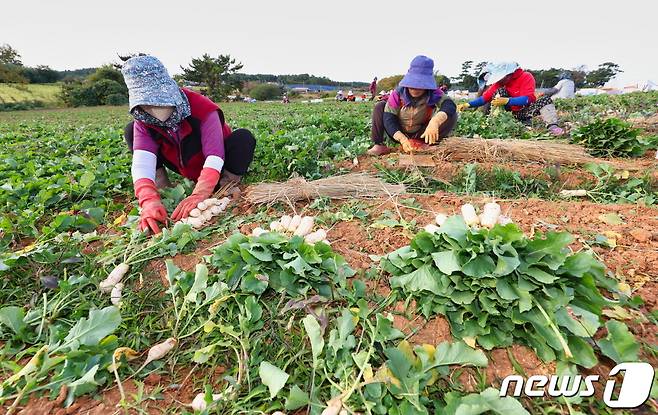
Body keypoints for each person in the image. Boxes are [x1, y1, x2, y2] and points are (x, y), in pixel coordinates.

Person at [121, 55, 256, 234]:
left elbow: (215, 155)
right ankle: (164, 189)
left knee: (244, 138)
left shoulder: (202, 108)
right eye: (146, 105)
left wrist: (200, 193)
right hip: (180, 161)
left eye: (159, 102)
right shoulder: (143, 119)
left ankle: (224, 186)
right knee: (131, 130)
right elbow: (142, 162)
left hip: (216, 160)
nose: (153, 109)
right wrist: (148, 200)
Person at [367, 55, 458, 156]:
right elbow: (389, 120)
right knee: (380, 106)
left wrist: (435, 121)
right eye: (413, 85)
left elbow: (449, 105)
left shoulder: (434, 93)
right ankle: (379, 145)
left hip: (422, 133)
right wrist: (402, 139)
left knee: (451, 114)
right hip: (399, 132)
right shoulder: (397, 93)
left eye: (420, 85)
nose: (415, 88)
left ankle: (428, 144)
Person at [458, 62, 565, 136]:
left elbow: (528, 99)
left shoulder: (526, 77)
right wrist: (468, 104)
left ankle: (552, 126)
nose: (499, 80)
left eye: (501, 77)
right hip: (508, 115)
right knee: (500, 93)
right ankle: (497, 123)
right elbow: (485, 98)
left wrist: (508, 100)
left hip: (525, 111)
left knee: (544, 99)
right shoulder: (499, 83)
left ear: (509, 74)